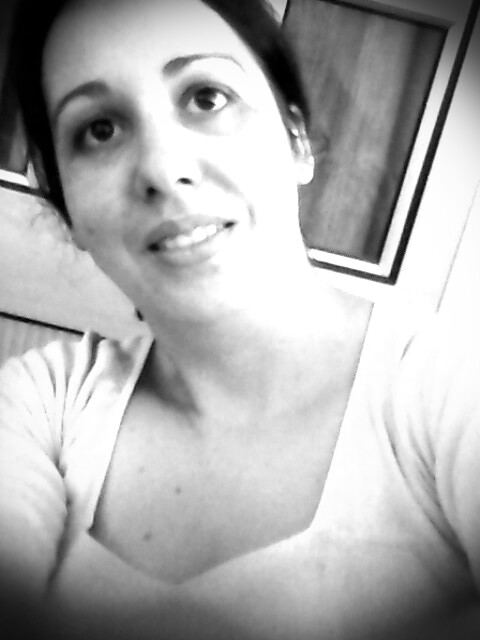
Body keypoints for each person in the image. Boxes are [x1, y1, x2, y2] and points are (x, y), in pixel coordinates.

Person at [1, 0, 480, 638]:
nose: (164, 170)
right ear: (71, 213)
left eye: (207, 97)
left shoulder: (450, 384)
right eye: (99, 129)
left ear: (297, 141)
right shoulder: (39, 403)